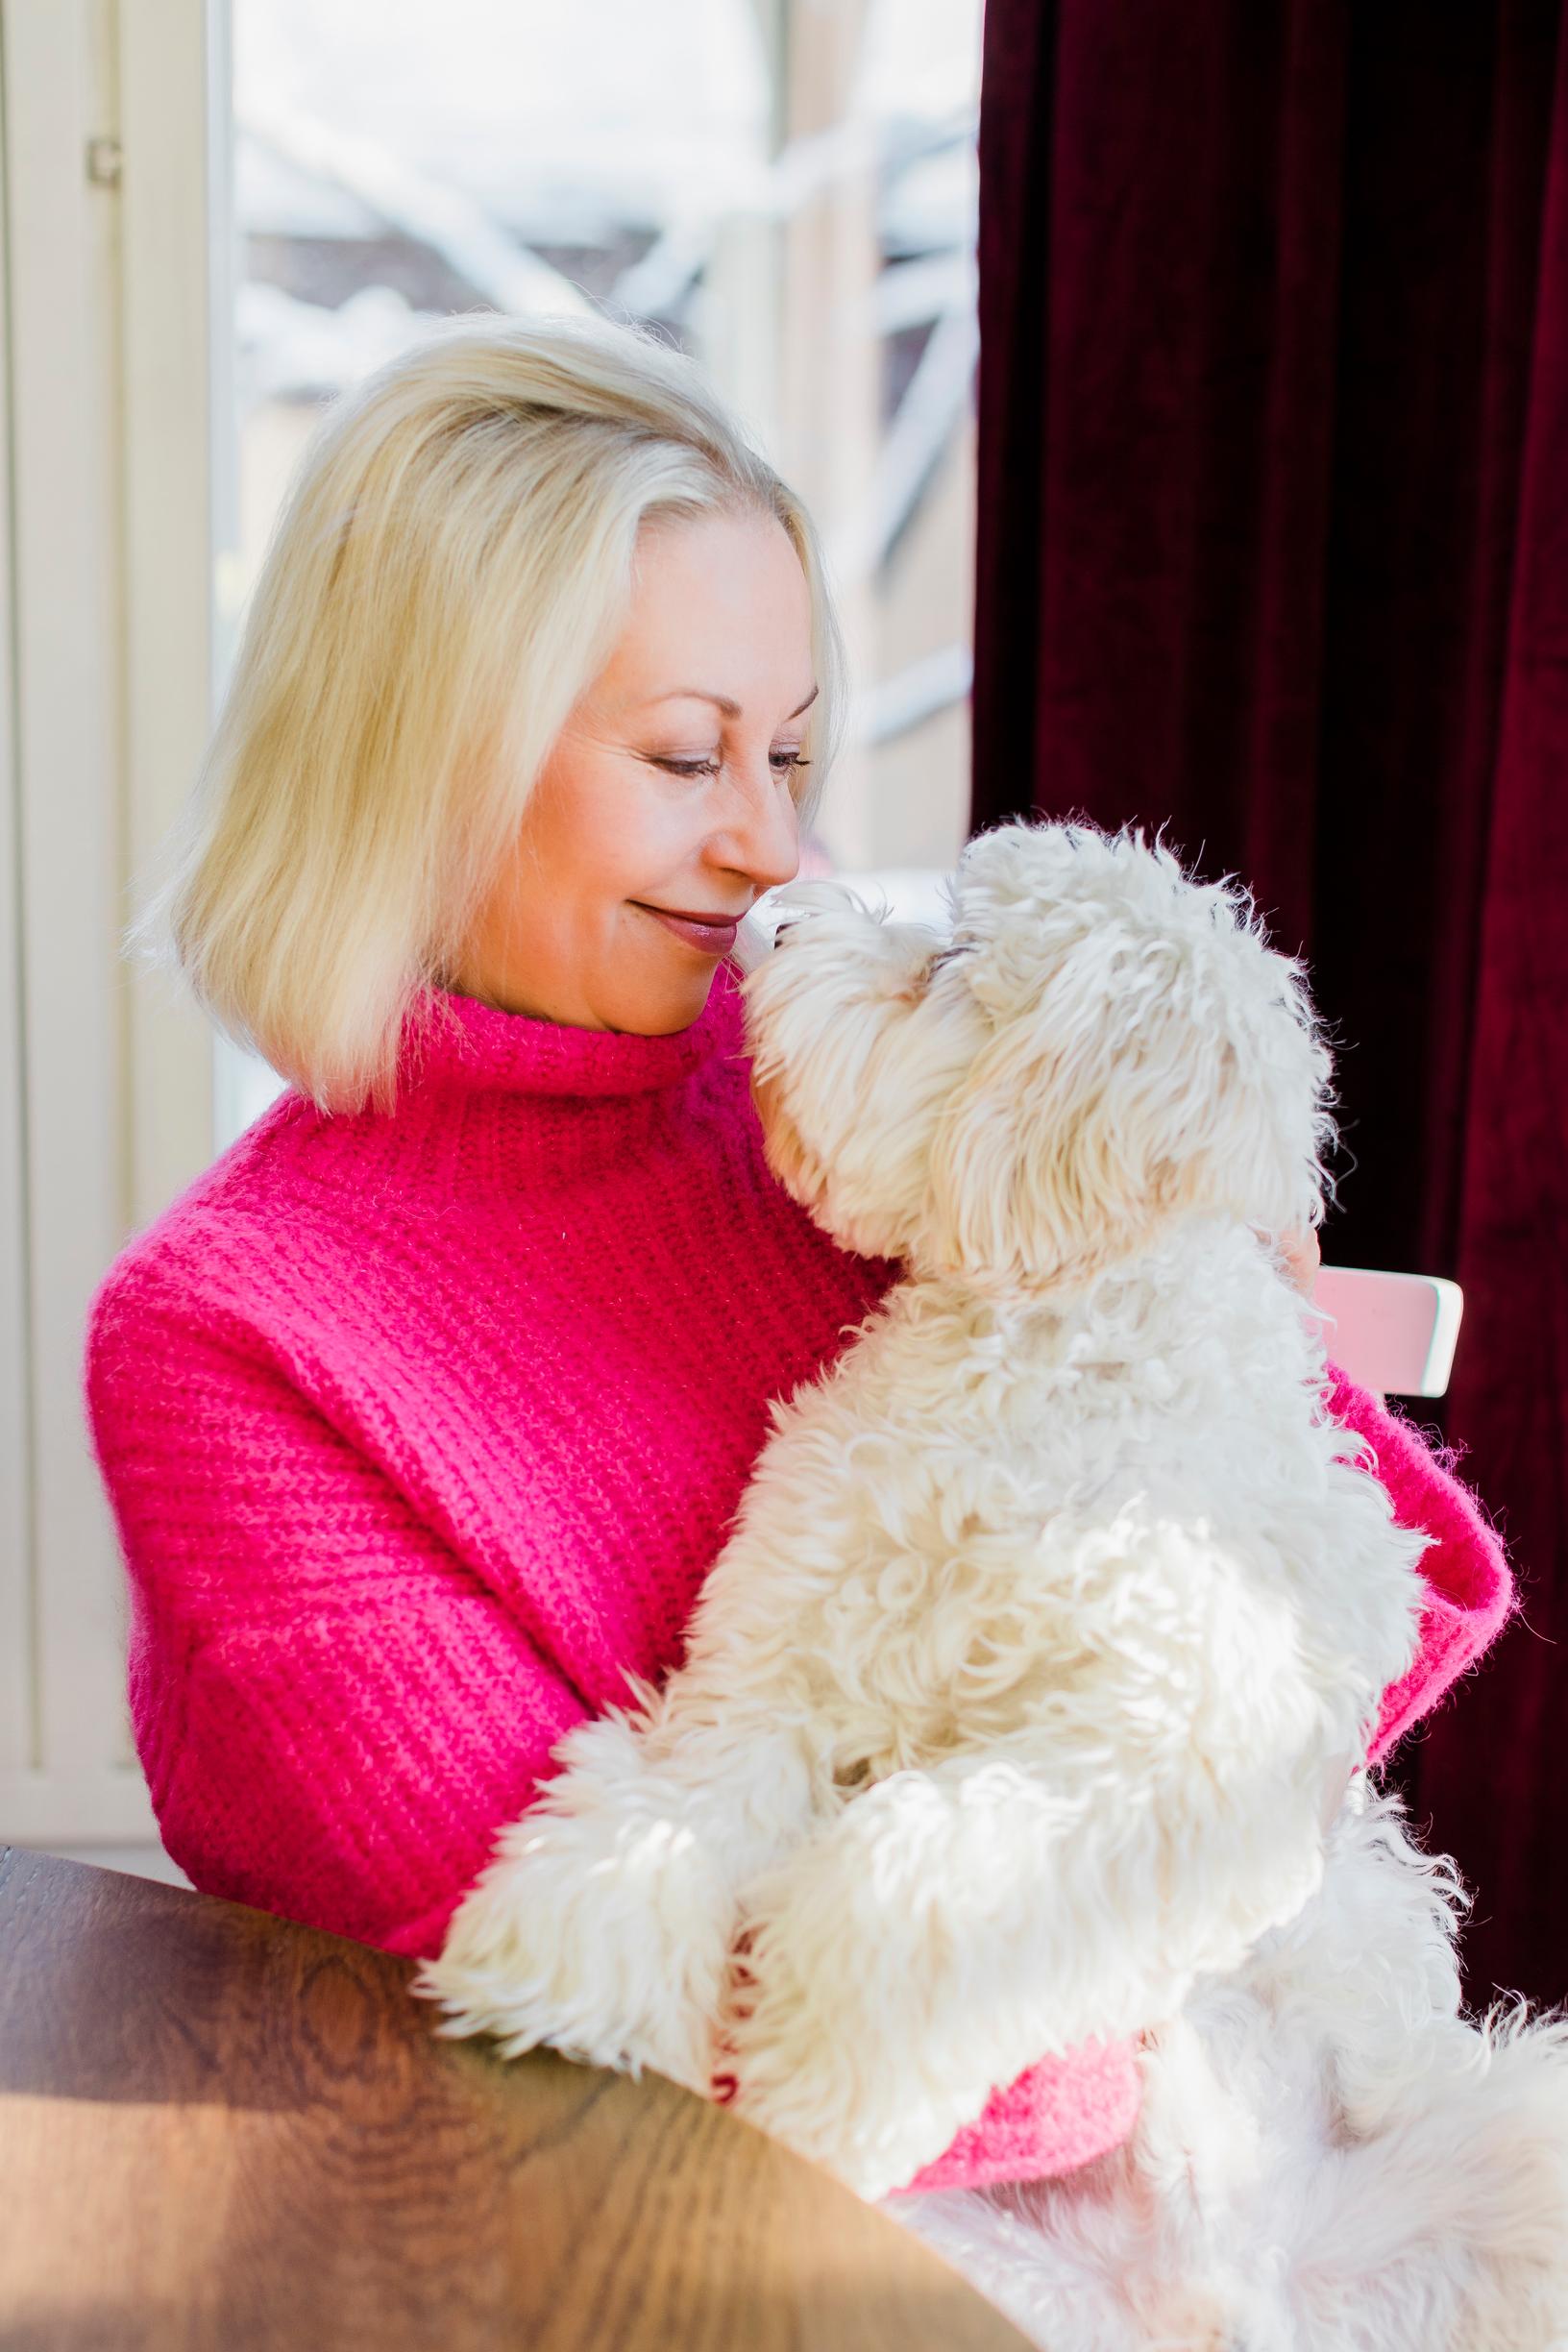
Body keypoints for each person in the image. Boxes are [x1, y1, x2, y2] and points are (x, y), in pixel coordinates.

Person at [83, 313, 1513, 2203]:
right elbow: (606, 2035)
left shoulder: (837, 1097)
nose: (773, 850)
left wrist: (1219, 1316)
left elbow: (1358, 1619)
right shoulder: (231, 1342)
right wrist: (1124, 1995)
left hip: (1195, 2130)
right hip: (680, 2238)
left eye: (794, 754)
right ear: (417, 762)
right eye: (688, 757)